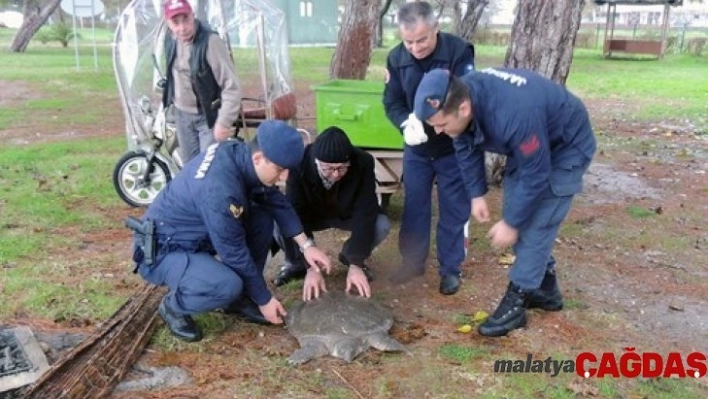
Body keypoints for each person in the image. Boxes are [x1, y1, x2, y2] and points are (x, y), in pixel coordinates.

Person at [413, 67, 597, 337]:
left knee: (537, 221)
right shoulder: (463, 95)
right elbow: (463, 143)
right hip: (533, 144)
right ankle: (546, 290)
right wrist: (477, 193)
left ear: (463, 109)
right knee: (517, 205)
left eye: (441, 124)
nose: (438, 132)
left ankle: (517, 303)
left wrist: (511, 223)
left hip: (565, 146)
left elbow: (536, 175)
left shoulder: (513, 114)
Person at [129, 120, 332, 342]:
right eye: (280, 170)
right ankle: (174, 307)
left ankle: (239, 300)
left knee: (262, 217)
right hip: (164, 250)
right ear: (258, 158)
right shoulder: (220, 191)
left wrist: (306, 246)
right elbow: (234, 253)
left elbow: (273, 199)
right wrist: (264, 300)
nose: (285, 178)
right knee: (227, 284)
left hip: (197, 236)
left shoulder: (238, 154)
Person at [383, 1, 475, 295]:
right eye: (408, 41)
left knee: (453, 208)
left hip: (453, 146)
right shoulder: (396, 58)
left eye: (421, 39)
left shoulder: (458, 52)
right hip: (417, 149)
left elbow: (467, 96)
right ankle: (412, 262)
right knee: (415, 207)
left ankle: (451, 269)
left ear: (436, 28)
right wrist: (404, 123)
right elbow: (392, 101)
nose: (415, 47)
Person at [272, 127, 390, 298]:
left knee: (381, 224)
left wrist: (355, 263)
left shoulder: (363, 161)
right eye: (328, 168)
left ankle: (349, 257)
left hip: (345, 213)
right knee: (281, 221)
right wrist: (310, 265)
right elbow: (294, 211)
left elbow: (366, 212)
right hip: (311, 214)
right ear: (316, 161)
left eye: (342, 168)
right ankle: (295, 263)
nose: (335, 174)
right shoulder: (298, 162)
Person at [162, 0, 242, 164]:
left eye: (186, 19)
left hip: (208, 118)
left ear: (193, 16)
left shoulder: (211, 42)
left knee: (208, 168)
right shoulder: (170, 40)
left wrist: (223, 122)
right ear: (168, 23)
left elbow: (231, 87)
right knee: (190, 168)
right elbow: (171, 74)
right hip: (182, 115)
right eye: (175, 22)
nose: (182, 28)